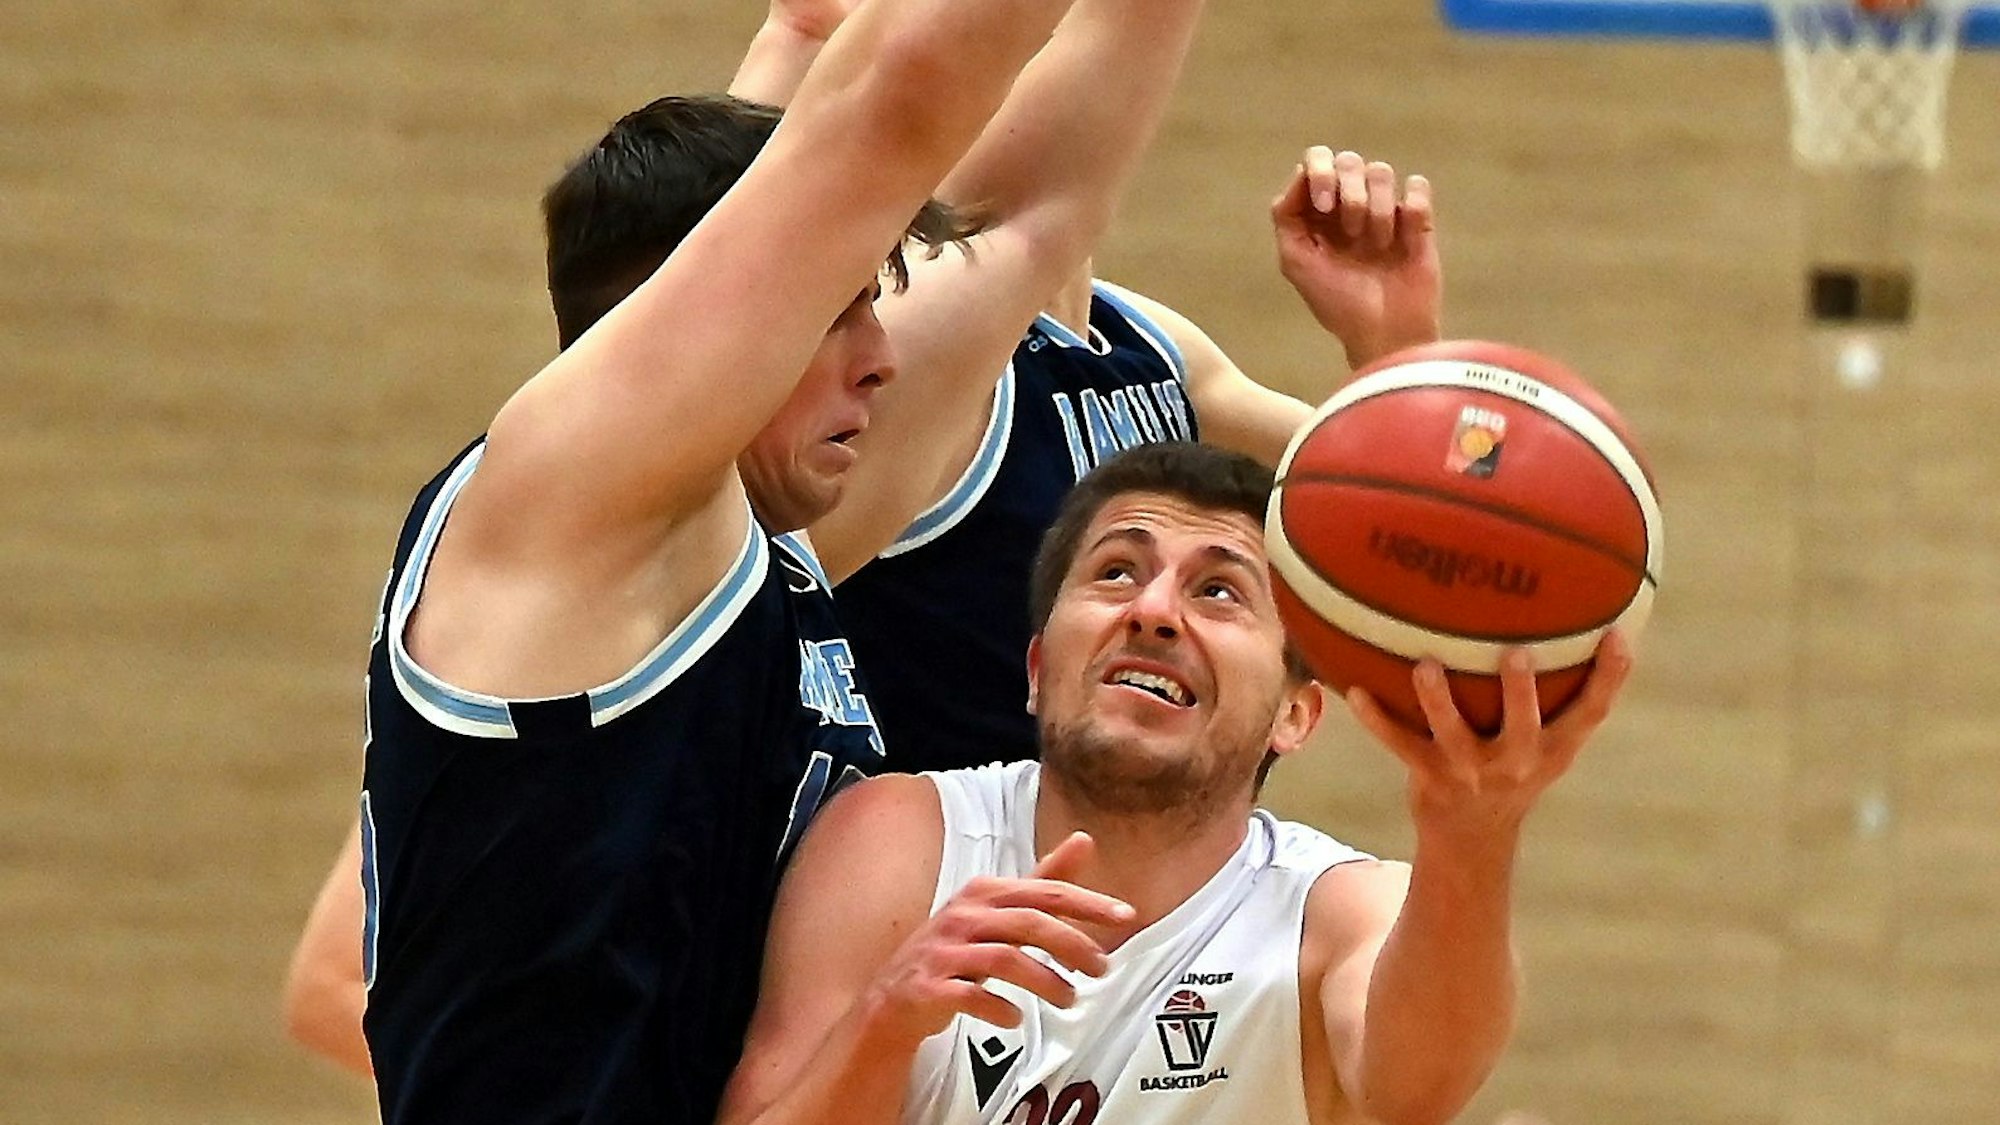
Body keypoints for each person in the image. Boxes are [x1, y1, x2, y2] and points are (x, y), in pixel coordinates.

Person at [286, 0, 1219, 1094]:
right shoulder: (571, 496)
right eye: (840, 305)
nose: (882, 359)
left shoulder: (765, 551)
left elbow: (1020, 217)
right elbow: (891, 105)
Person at [715, 442, 1634, 1125]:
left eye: (1219, 591)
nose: (1153, 611)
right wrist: (886, 1019)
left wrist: (1476, 828)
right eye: (1117, 571)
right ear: (1037, 666)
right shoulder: (905, 837)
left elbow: (1419, 1085)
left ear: (1295, 713)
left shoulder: (1337, 911)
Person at [729, 0, 1445, 770]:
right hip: (931, 870)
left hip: (1131, 867)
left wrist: (1391, 343)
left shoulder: (1139, 337)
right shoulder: (903, 343)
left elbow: (1415, 541)